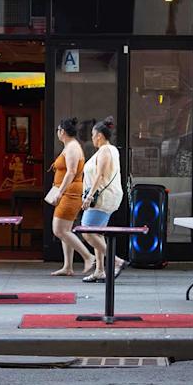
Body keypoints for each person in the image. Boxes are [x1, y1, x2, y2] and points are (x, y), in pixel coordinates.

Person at [79, 117, 126, 283]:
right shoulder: (108, 150)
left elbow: (100, 175)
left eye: (93, 135)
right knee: (96, 233)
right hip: (106, 197)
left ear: (99, 135)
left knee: (87, 231)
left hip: (101, 198)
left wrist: (89, 196)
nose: (91, 138)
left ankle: (116, 261)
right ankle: (99, 270)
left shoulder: (106, 150)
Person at [47, 117, 94, 276]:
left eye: (58, 130)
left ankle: (88, 256)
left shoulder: (73, 147)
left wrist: (60, 192)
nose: (57, 133)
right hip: (66, 191)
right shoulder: (69, 146)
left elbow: (72, 172)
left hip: (70, 192)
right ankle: (68, 266)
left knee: (58, 229)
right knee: (65, 230)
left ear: (63, 132)